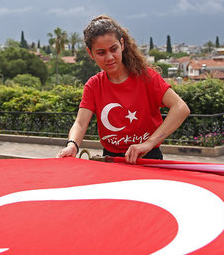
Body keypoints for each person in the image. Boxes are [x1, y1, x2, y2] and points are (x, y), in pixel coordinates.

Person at [56, 15, 190, 163]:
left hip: (148, 159)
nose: (109, 57)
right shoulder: (93, 85)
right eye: (101, 53)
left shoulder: (147, 77)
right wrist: (72, 145)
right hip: (111, 160)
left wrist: (148, 143)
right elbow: (80, 123)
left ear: (122, 44)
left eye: (113, 49)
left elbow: (181, 108)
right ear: (90, 53)